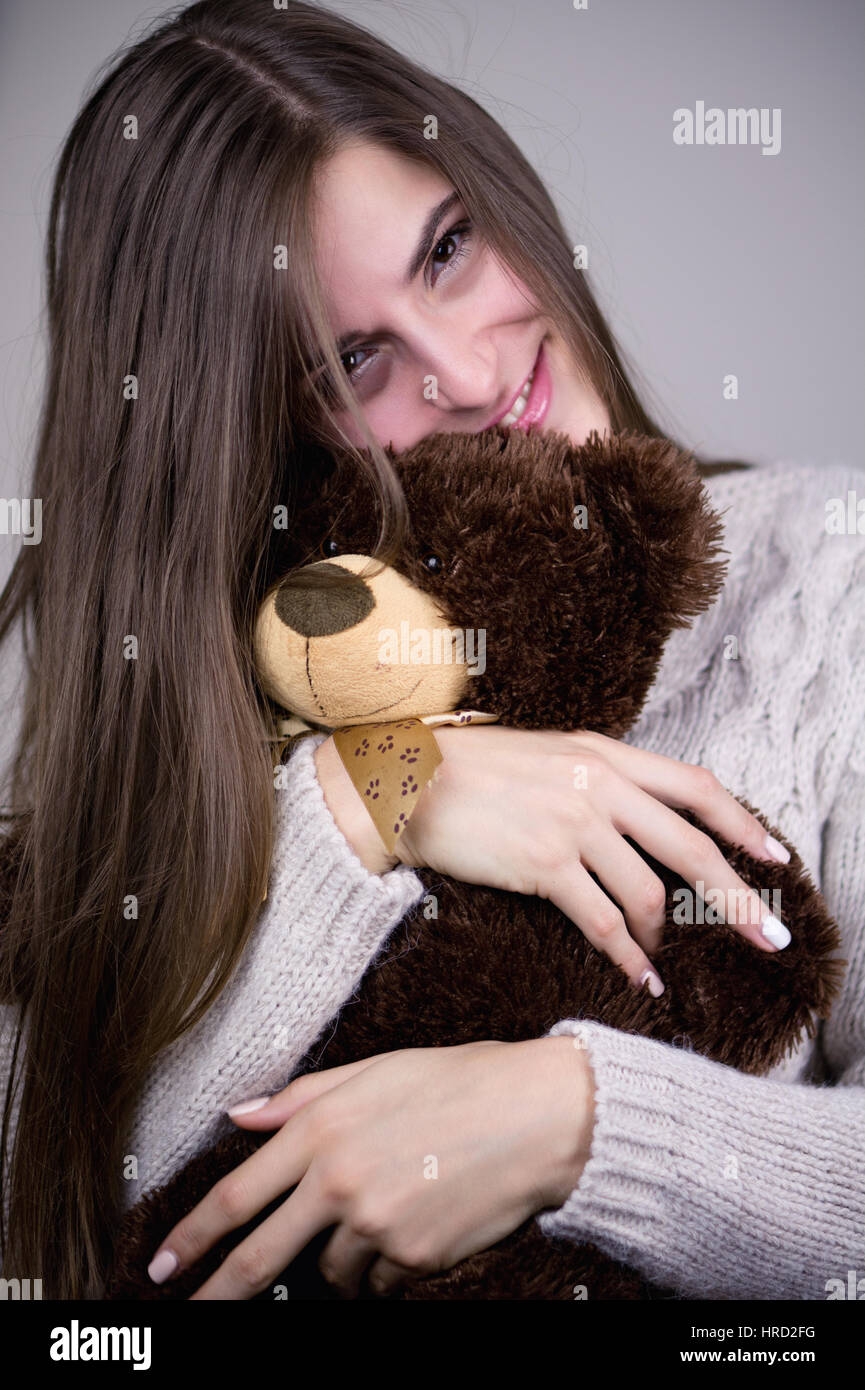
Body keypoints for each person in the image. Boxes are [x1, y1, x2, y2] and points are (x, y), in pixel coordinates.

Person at [1, 0, 862, 1302]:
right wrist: (375, 793)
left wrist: (573, 1122)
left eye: (449, 249)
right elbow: (77, 1213)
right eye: (355, 359)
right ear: (256, 439)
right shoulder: (215, 724)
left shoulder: (827, 569)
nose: (464, 371)